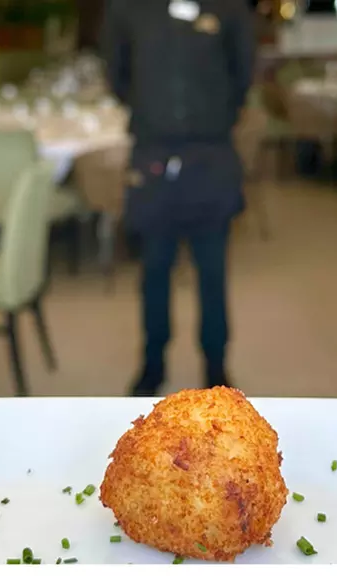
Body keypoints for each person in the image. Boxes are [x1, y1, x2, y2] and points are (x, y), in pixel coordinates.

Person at [102, 0, 256, 396]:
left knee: (213, 271)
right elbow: (116, 77)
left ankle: (217, 367)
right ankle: (152, 365)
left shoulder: (230, 8)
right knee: (153, 269)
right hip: (153, 157)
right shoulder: (126, 9)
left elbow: (243, 76)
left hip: (211, 157)